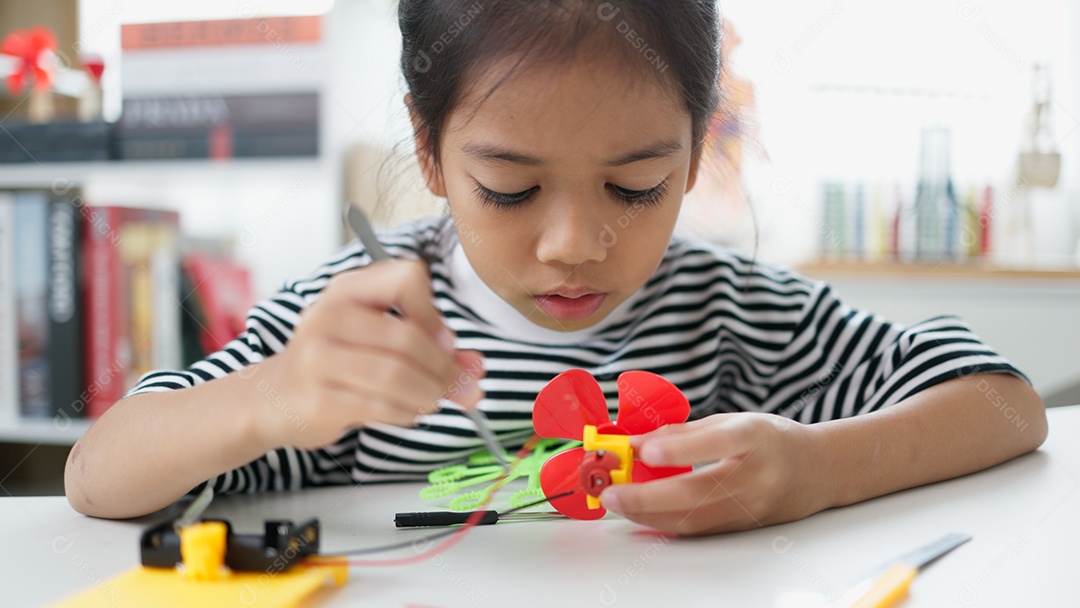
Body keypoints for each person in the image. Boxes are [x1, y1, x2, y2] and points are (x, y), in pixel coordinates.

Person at [66, 0, 1046, 535]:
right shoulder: (360, 327)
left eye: (635, 186)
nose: (574, 243)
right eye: (509, 188)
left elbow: (1008, 405)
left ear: (694, 155)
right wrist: (277, 396)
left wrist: (818, 468)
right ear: (430, 143)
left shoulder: (725, 307)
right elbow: (99, 478)